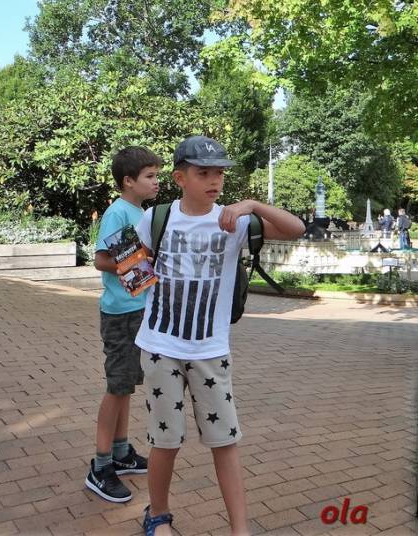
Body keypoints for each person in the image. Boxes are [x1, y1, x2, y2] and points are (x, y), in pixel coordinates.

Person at [134, 135, 305, 536]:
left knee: (225, 440)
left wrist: (252, 205)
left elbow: (296, 228)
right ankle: (158, 515)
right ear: (180, 178)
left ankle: (239, 529)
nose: (214, 180)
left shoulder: (236, 222)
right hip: (160, 346)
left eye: (220, 173)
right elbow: (132, 273)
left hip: (210, 348)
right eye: (203, 173)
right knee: (165, 440)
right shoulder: (155, 218)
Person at [86, 146, 162, 503]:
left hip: (137, 308)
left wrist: (145, 264)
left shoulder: (140, 212)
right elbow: (101, 260)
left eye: (157, 175)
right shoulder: (118, 212)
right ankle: (100, 465)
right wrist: (139, 262)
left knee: (126, 384)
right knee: (117, 387)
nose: (157, 181)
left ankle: (120, 452)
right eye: (150, 176)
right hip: (121, 313)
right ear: (128, 181)